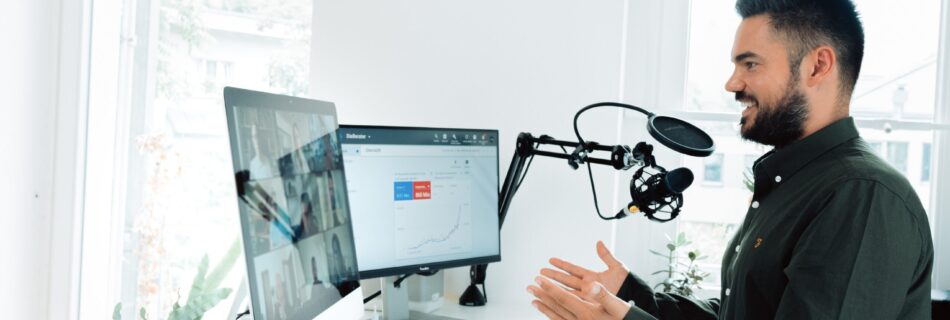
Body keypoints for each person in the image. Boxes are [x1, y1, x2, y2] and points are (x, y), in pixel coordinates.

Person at [527, 0, 934, 319]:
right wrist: (631, 296)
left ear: (817, 65)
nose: (732, 83)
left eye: (750, 64)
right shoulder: (792, 182)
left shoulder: (860, 197)